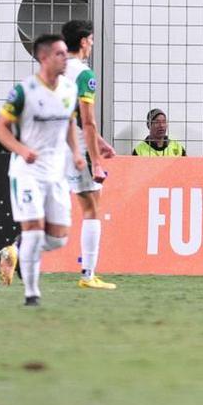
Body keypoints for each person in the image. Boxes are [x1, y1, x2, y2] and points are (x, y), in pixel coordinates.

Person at [0, 34, 86, 306]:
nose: (64, 59)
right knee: (33, 230)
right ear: (43, 58)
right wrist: (22, 150)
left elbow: (69, 124)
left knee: (58, 239)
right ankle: (31, 294)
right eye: (59, 54)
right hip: (27, 173)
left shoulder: (69, 89)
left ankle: (17, 250)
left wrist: (77, 154)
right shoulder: (24, 91)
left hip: (56, 173)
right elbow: (0, 128)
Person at [61, 20, 117, 290]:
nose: (92, 44)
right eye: (91, 40)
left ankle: (16, 249)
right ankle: (88, 275)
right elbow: (88, 121)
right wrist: (96, 161)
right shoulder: (85, 75)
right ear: (83, 41)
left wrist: (102, 142)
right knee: (92, 208)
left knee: (53, 209)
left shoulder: (56, 71)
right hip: (78, 149)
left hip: (52, 145)